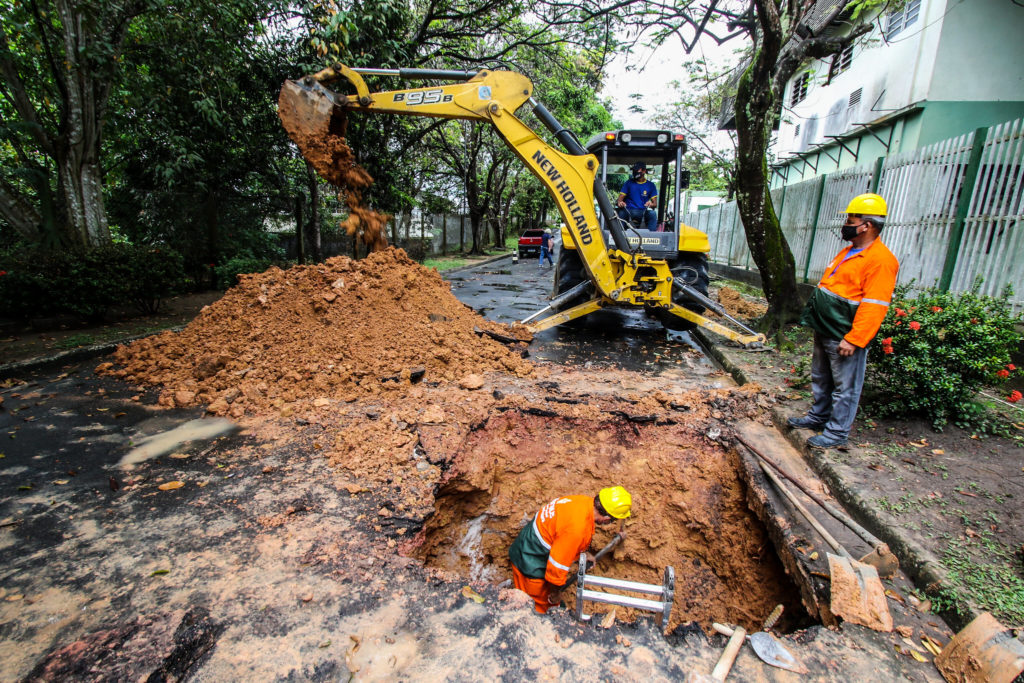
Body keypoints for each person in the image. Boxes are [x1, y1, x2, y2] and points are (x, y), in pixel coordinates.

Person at [788, 193, 900, 448]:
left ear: (867, 225)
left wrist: (855, 339)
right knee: (821, 377)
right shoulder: (850, 251)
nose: (846, 224)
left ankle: (837, 432)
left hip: (844, 333)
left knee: (844, 387)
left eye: (851, 219)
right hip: (825, 327)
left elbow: (875, 306)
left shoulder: (881, 261)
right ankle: (818, 417)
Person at [508, 486, 632, 614]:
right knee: (536, 608)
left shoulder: (583, 502)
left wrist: (581, 554)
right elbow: (556, 569)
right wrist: (555, 593)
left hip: (533, 543)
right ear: (606, 519)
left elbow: (562, 535)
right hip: (529, 561)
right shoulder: (577, 530)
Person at [616, 162, 658, 230]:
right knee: (621, 213)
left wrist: (650, 204)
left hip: (643, 211)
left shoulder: (651, 185)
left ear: (644, 171)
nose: (635, 172)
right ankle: (619, 235)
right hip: (629, 210)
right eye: (634, 170)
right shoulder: (628, 183)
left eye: (637, 170)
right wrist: (621, 203)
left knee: (652, 214)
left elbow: (655, 204)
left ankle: (652, 236)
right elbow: (619, 200)